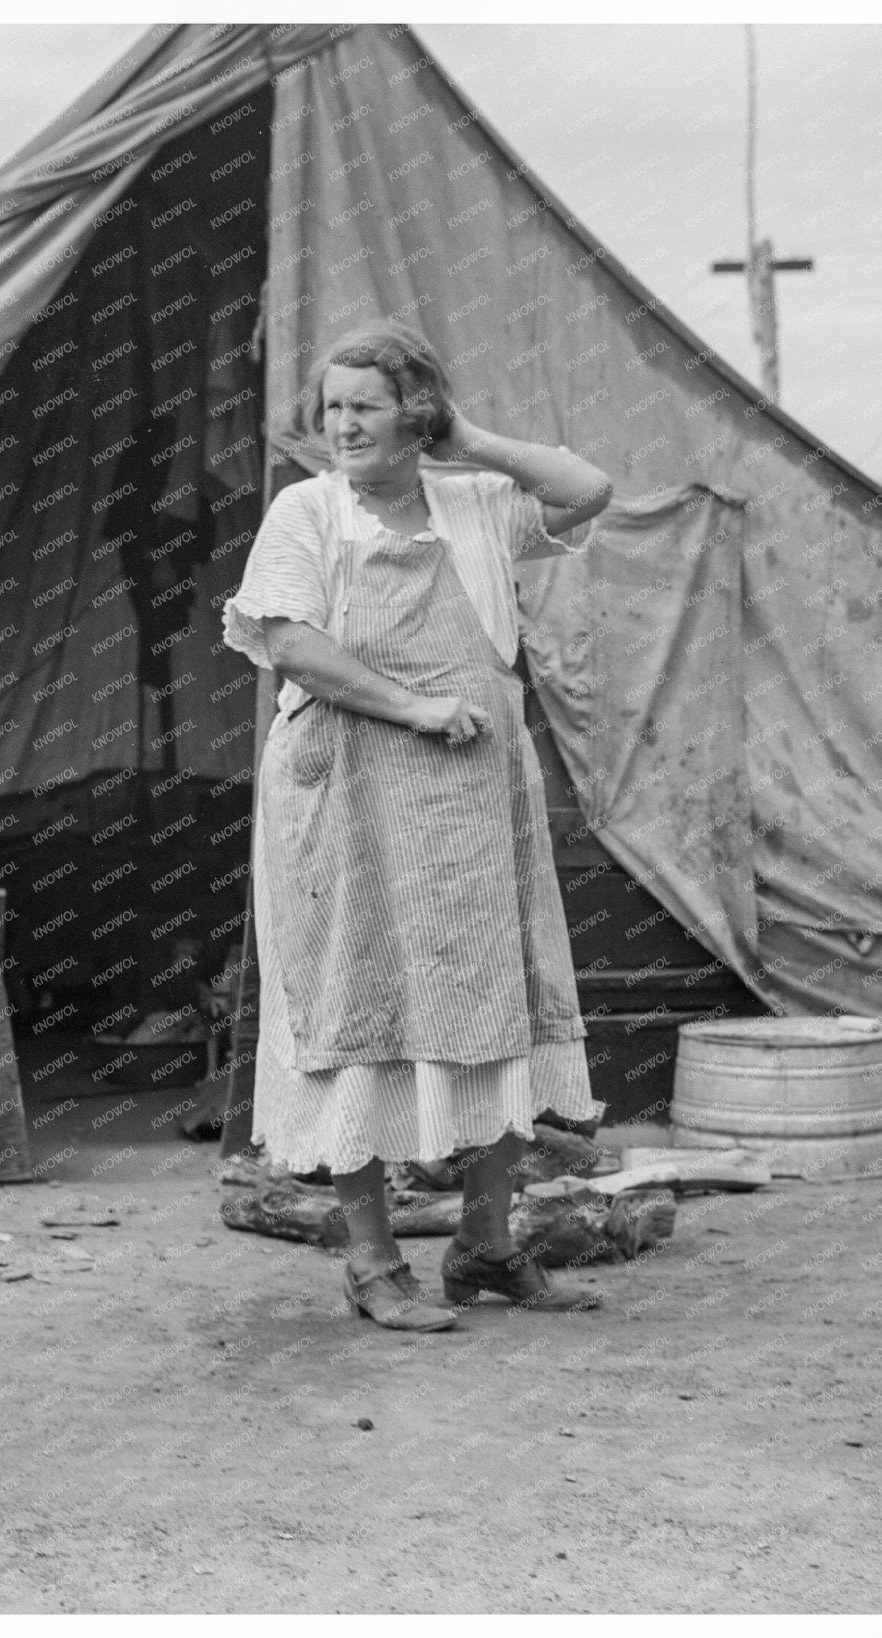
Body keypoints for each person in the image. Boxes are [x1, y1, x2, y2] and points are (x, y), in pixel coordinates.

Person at [222, 321, 614, 1332]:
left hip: (472, 805)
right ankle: (369, 1262)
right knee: (359, 1006)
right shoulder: (306, 514)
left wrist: (468, 441)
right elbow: (294, 648)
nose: (338, 424)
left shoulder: (475, 504)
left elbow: (585, 490)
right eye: (332, 406)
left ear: (414, 414)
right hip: (346, 795)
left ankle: (485, 1250)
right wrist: (413, 708)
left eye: (362, 406)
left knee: (495, 1001)